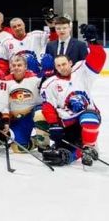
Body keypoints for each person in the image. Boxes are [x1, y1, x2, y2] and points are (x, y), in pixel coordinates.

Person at [35, 26, 106, 166]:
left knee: (89, 117)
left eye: (64, 64)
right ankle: (72, 153)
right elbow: (48, 106)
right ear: (55, 67)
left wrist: (93, 42)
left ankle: (89, 146)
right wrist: (54, 124)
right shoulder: (49, 83)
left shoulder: (81, 70)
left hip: (87, 115)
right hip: (67, 121)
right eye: (58, 65)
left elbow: (98, 58)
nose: (62, 67)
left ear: (70, 63)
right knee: (62, 153)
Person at [2, 54, 42, 151]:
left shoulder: (35, 79)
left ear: (25, 67)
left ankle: (42, 141)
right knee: (18, 148)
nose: (16, 67)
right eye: (14, 65)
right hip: (15, 119)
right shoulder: (5, 81)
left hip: (30, 116)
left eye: (19, 65)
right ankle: (33, 141)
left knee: (40, 113)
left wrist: (46, 73)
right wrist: (5, 122)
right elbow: (3, 104)